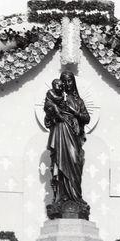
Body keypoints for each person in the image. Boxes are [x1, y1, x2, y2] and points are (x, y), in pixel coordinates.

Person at [44, 70, 90, 205]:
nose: (67, 83)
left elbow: (86, 118)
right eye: (64, 81)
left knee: (75, 160)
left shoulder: (78, 101)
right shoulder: (57, 97)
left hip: (74, 136)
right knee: (59, 163)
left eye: (70, 80)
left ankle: (76, 197)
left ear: (73, 82)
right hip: (60, 133)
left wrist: (74, 112)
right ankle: (61, 197)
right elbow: (48, 117)